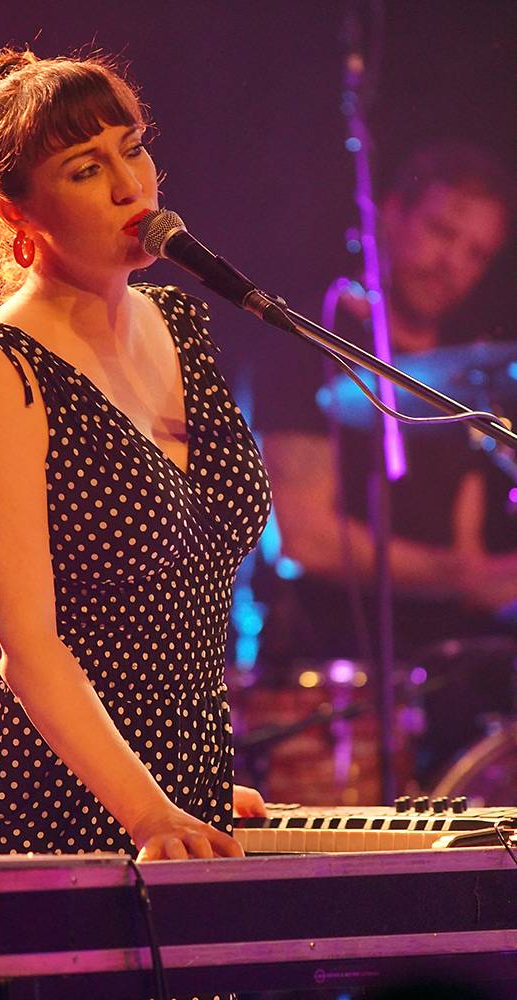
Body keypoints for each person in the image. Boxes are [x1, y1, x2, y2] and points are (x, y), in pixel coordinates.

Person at [0, 47, 270, 862]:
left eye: (132, 149)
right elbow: (22, 644)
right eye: (85, 169)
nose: (129, 187)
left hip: (169, 781)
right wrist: (147, 809)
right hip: (35, 794)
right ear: (15, 214)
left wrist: (186, 783)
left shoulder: (179, 325)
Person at [253, 143, 516, 780]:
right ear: (390, 214)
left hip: (452, 687)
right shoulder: (307, 346)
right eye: (441, 231)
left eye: (476, 253)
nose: (452, 264)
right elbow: (302, 539)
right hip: (329, 690)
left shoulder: (472, 379)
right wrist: (464, 577)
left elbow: (476, 552)